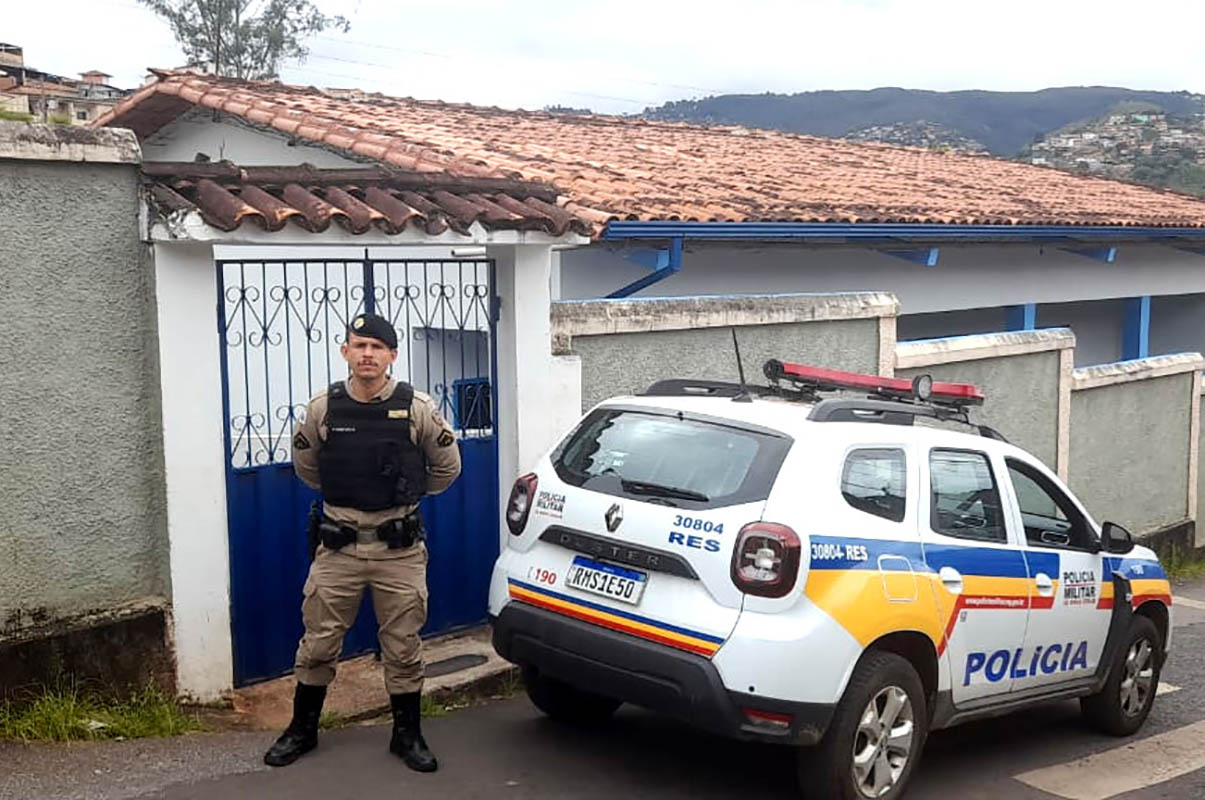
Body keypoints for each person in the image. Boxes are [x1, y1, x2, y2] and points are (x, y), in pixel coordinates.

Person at [263, 312, 462, 772]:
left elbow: (447, 468)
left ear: (392, 355)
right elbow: (306, 467)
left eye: (377, 347)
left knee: (403, 644)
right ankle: (303, 730)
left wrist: (409, 494)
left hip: (399, 550)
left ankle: (406, 735)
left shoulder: (418, 408)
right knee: (318, 643)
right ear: (345, 351)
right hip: (338, 549)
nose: (368, 354)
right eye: (360, 345)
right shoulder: (323, 409)